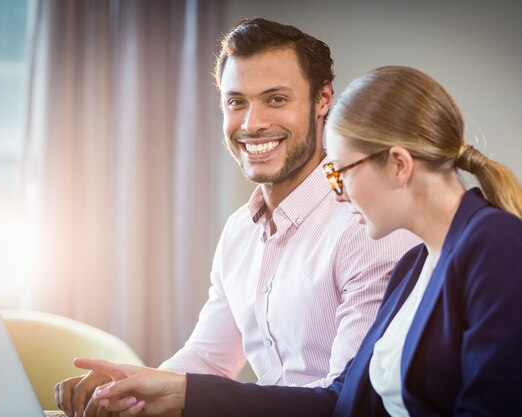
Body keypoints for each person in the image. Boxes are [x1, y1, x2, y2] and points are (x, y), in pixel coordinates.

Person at [74, 65, 522, 417]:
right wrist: (181, 395)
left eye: (340, 173)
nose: (336, 193)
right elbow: (341, 400)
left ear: (398, 165)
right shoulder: (415, 268)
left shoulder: (500, 250)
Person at [54, 19, 419, 417]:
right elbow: (208, 360)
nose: (251, 124)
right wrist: (128, 391)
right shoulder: (238, 233)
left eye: (276, 99)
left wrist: (184, 393)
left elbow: (349, 404)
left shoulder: (367, 226)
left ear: (322, 100)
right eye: (236, 102)